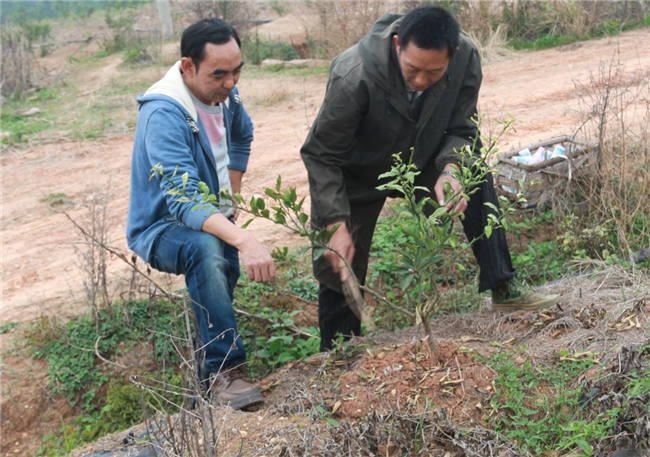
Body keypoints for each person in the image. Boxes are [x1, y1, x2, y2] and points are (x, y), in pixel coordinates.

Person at [300, 6, 559, 351]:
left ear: (451, 55)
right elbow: (322, 153)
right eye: (413, 70)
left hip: (423, 158)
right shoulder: (354, 73)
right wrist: (333, 221)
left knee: (474, 174)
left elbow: (463, 129)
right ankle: (339, 350)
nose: (421, 80)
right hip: (356, 173)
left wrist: (451, 169)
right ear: (396, 45)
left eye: (434, 73)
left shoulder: (466, 58)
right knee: (340, 262)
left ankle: (504, 287)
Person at [127, 18, 275, 410]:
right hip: (162, 227)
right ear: (187, 67)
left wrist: (234, 195)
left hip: (212, 217)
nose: (231, 82)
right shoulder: (165, 114)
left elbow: (242, 133)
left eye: (238, 70)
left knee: (216, 291)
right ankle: (227, 370)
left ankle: (205, 395)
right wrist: (242, 237)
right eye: (220, 74)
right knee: (207, 249)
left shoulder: (228, 95)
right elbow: (184, 202)